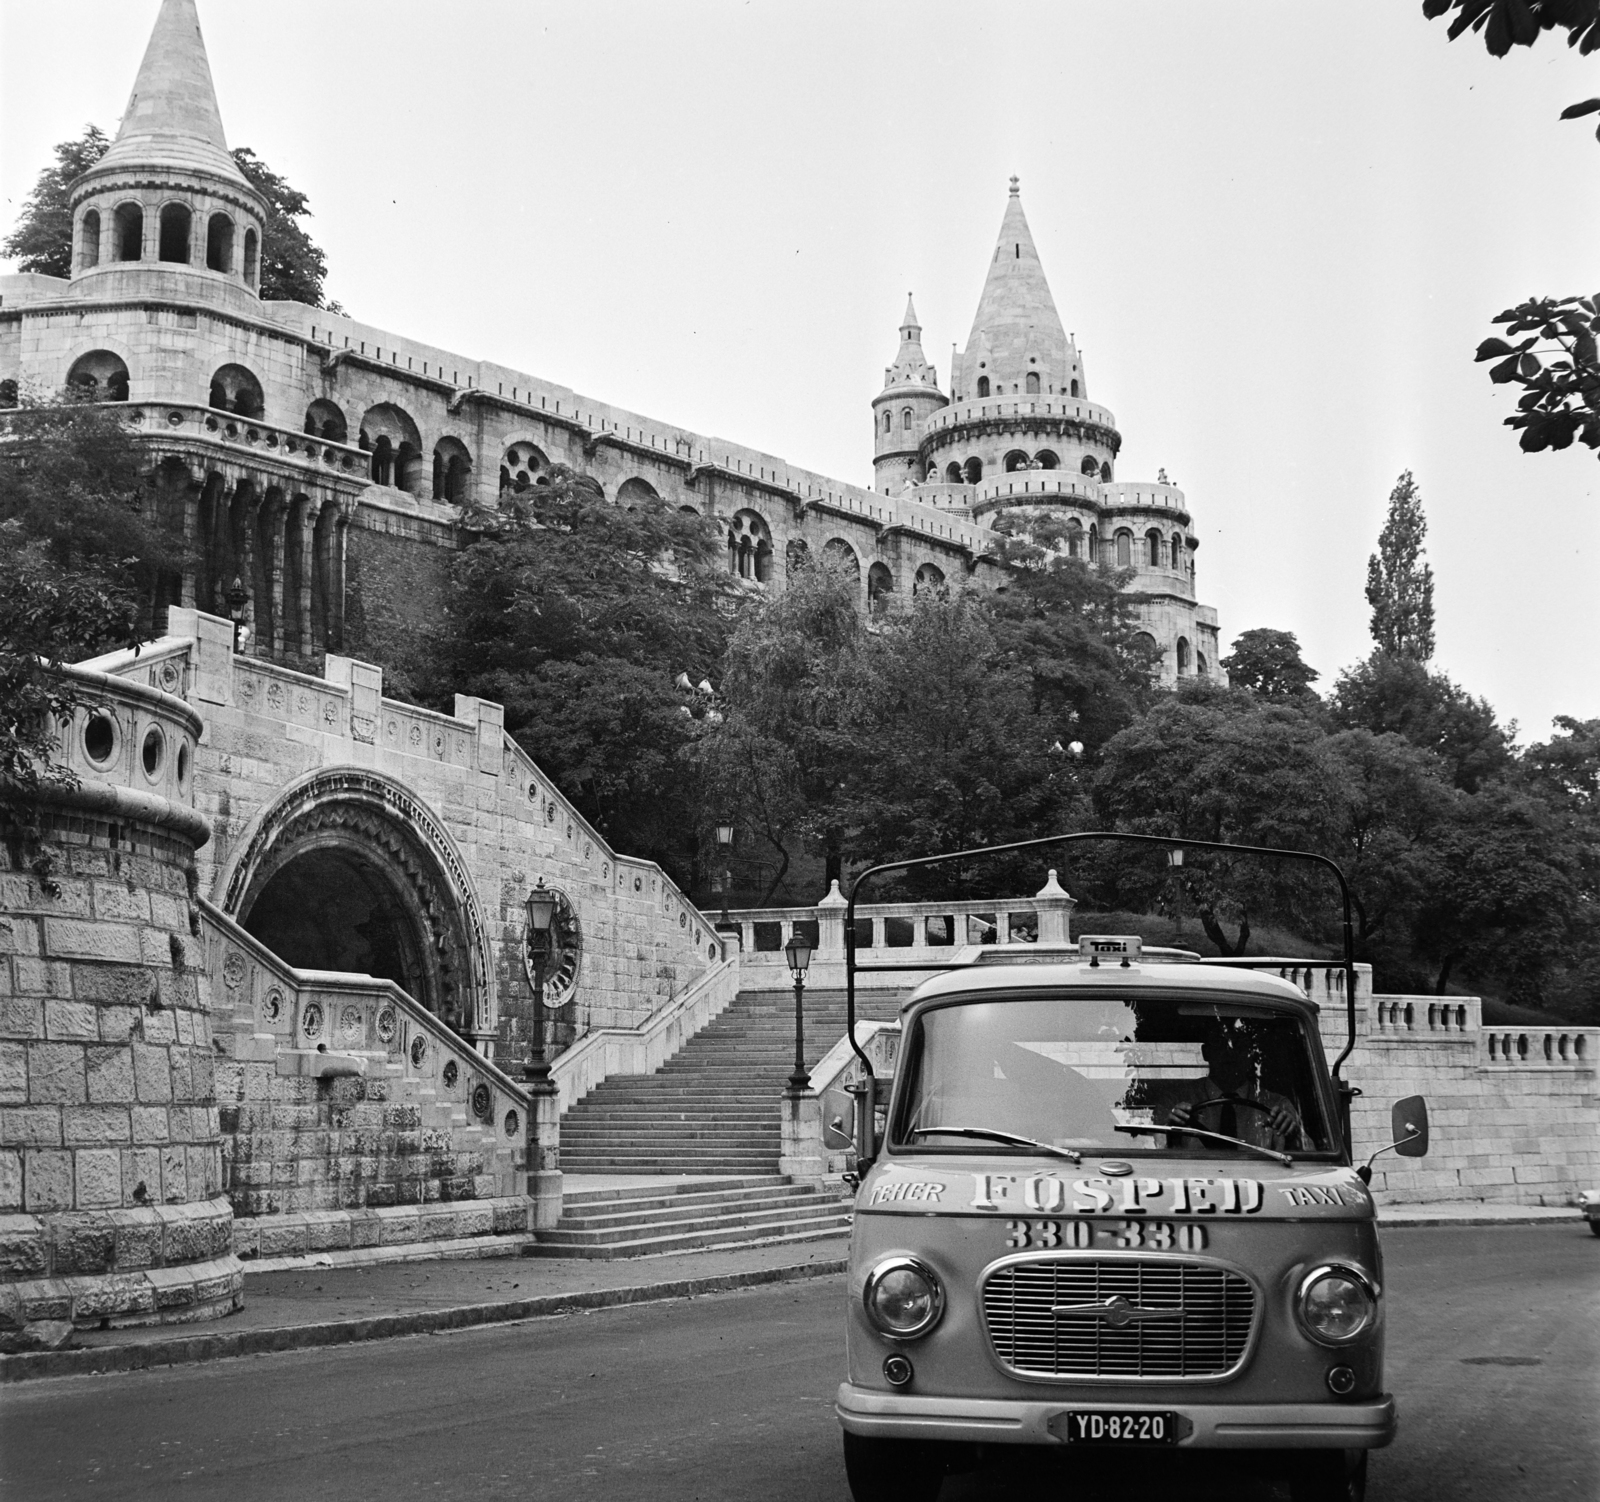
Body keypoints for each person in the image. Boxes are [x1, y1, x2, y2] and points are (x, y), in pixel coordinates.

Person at [1163, 1027, 1305, 1151]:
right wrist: (1170, 1133)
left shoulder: (1277, 1105)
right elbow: (1154, 1151)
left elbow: (1308, 1160)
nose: (1229, 1052)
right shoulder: (1175, 1102)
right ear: (1206, 1052)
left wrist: (1293, 1136)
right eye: (1220, 1043)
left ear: (1251, 1053)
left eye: (1239, 1045)